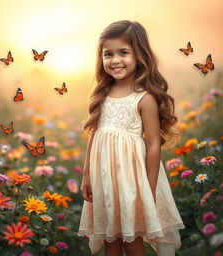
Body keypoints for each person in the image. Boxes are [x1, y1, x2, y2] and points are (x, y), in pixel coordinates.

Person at [77, 20, 185, 256]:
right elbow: (95, 135)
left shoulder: (144, 98)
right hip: (104, 179)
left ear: (139, 55)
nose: (115, 60)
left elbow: (153, 143)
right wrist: (86, 174)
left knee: (131, 240)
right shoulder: (102, 95)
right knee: (109, 237)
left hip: (132, 182)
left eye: (123, 52)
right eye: (108, 54)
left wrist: (149, 186)